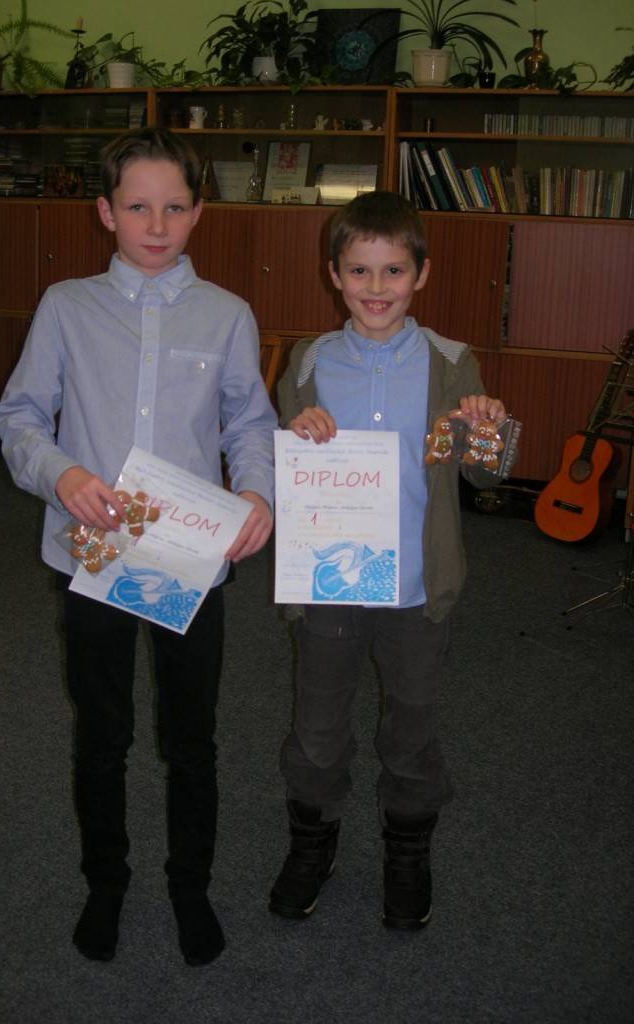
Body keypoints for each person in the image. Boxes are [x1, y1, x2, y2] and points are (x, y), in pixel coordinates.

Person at [0, 126, 276, 967]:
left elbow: (249, 423)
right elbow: (18, 416)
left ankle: (191, 886)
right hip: (93, 553)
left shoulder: (227, 314)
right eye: (138, 207)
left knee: (192, 739)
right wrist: (62, 473)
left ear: (199, 213)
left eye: (175, 208)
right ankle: (106, 882)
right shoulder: (65, 306)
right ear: (105, 212)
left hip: (191, 557)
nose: (157, 226)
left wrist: (257, 491)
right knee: (102, 734)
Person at [269, 190, 512, 931]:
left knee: (411, 730)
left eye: (394, 271)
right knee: (317, 731)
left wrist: (488, 429)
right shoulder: (308, 361)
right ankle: (312, 843)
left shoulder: (452, 362)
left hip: (415, 589)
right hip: (331, 585)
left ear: (421, 274)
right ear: (334, 275)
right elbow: (281, 467)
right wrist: (295, 431)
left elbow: (485, 477)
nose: (376, 288)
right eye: (359, 271)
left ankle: (408, 852)